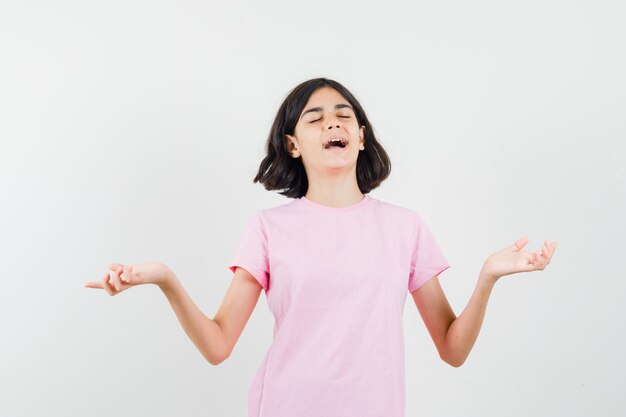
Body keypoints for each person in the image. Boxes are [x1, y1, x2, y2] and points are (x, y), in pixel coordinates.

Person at [85, 77, 557, 417]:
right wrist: (166, 279)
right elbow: (218, 345)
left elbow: (452, 350)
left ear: (360, 136)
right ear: (293, 144)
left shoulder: (404, 227)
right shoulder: (268, 229)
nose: (333, 123)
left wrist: (488, 278)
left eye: (343, 116)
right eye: (316, 118)